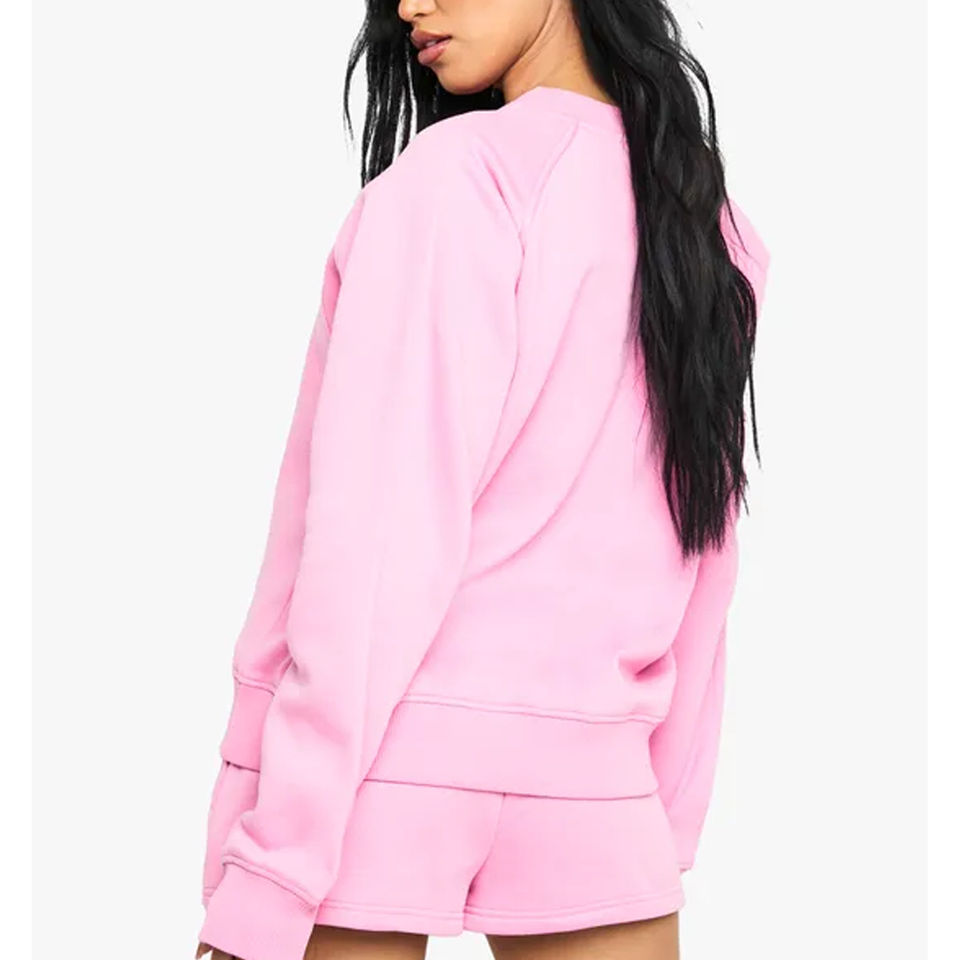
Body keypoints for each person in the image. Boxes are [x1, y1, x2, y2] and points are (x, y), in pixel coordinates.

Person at [195, 1, 770, 959]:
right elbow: (705, 553)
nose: (409, 6)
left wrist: (273, 857)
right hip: (597, 780)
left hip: (380, 769)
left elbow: (372, 544)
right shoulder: (708, 224)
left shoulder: (455, 181)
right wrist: (661, 820)